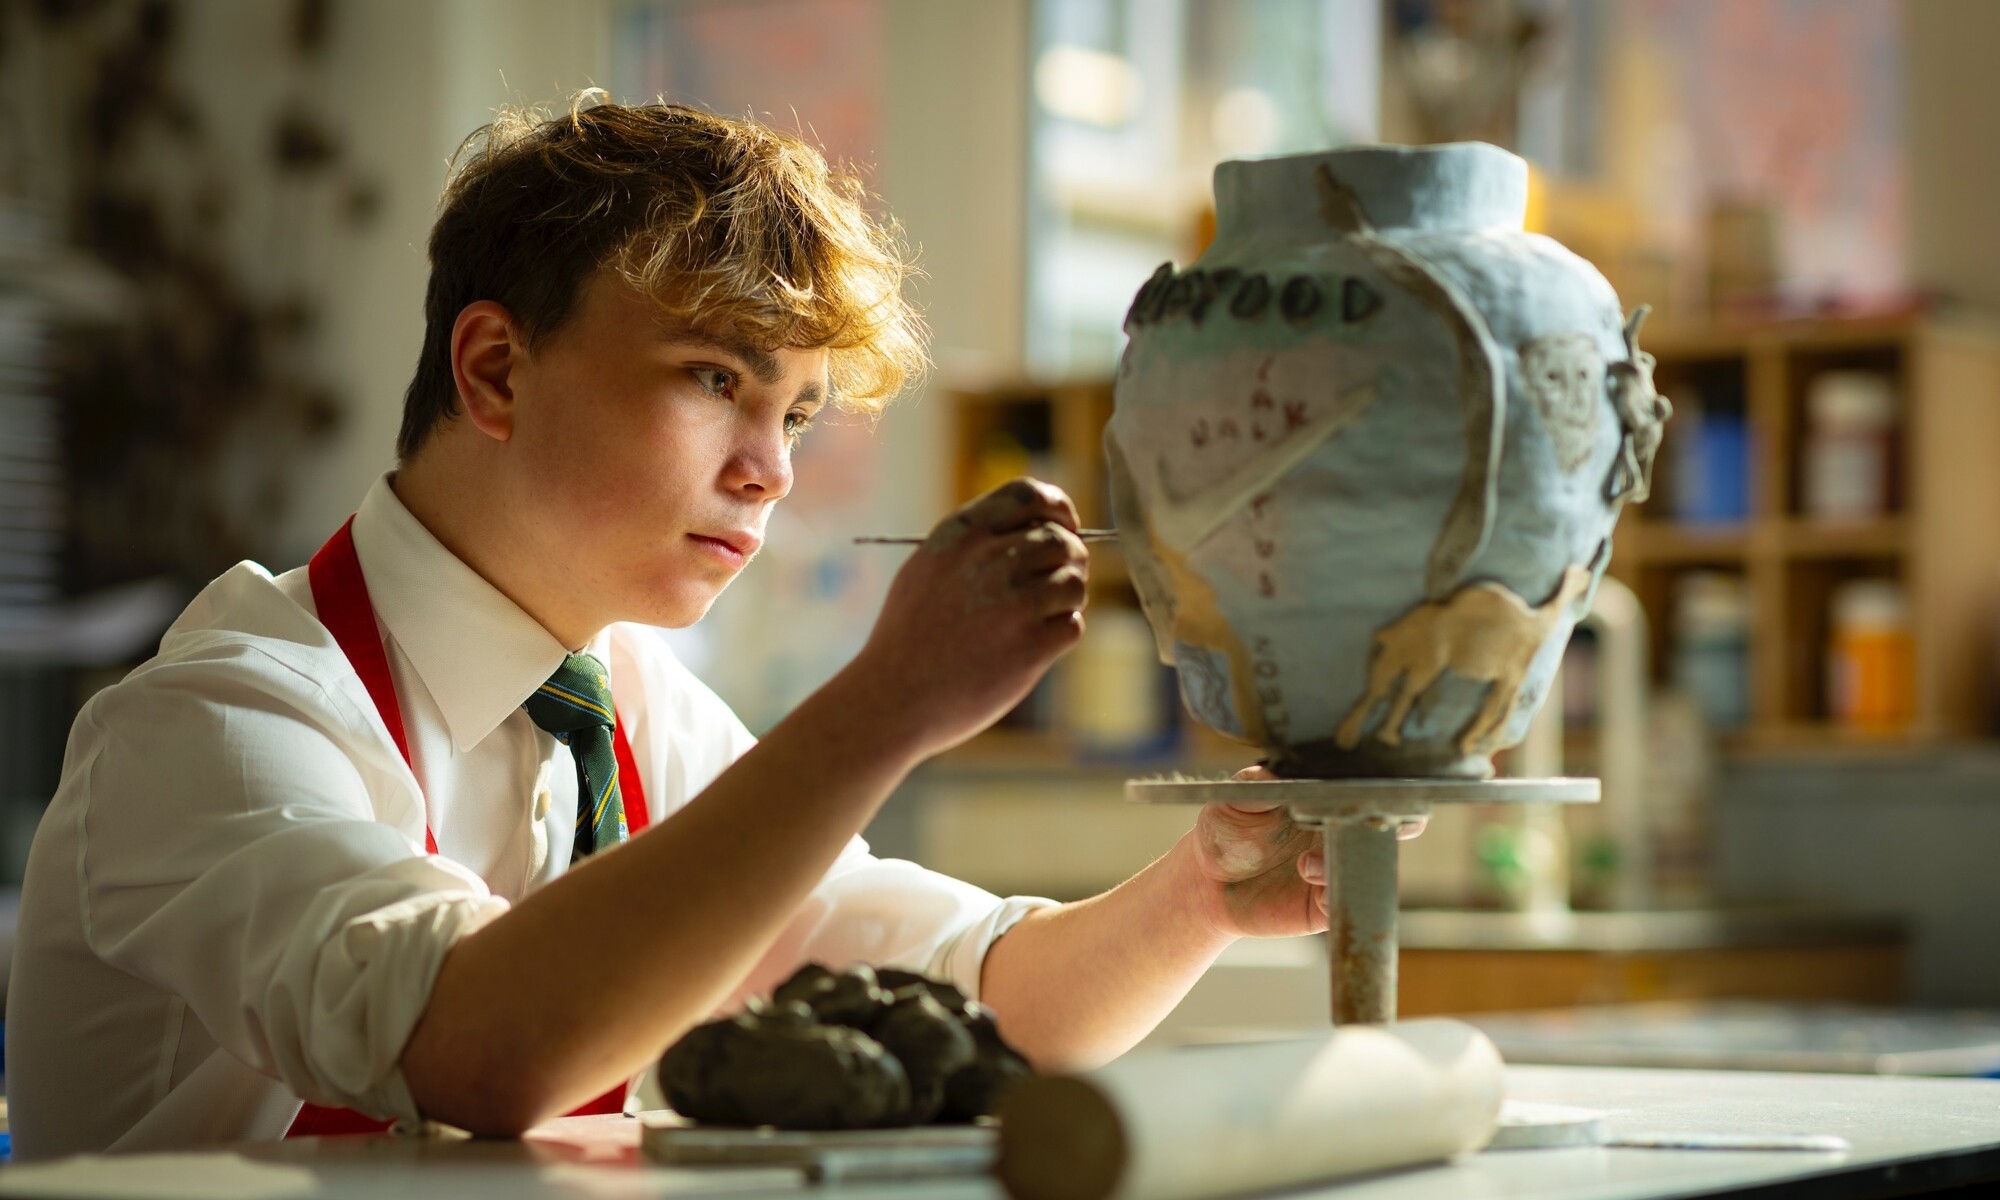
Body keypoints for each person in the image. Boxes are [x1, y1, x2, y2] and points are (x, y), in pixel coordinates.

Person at [6, 98, 1338, 1161]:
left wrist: (1202, 896)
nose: (773, 471)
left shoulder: (631, 705)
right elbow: (471, 1048)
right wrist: (885, 705)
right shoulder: (220, 719)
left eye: (798, 414)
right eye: (714, 378)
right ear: (495, 371)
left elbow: (976, 1000)